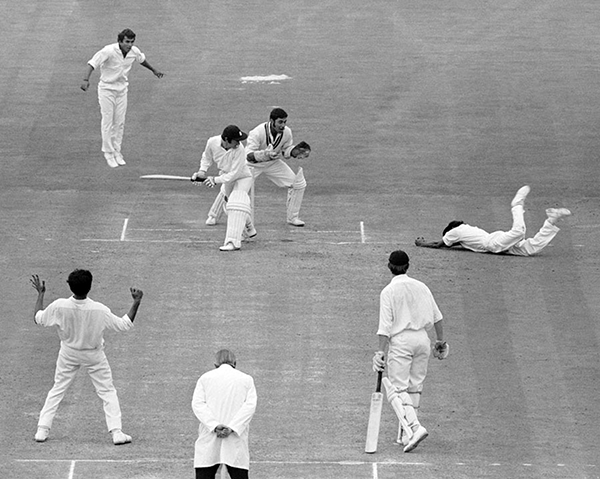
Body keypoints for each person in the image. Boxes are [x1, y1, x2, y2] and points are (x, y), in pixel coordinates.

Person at [30, 270, 143, 445]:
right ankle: (116, 432)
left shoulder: (59, 306)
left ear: (69, 285)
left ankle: (42, 429)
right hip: (94, 355)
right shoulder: (100, 309)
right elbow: (124, 325)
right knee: (107, 391)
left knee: (58, 389)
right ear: (90, 286)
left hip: (68, 353)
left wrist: (40, 294)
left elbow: (38, 318)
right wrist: (136, 301)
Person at [372, 250, 445, 453]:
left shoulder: (388, 292)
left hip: (402, 342)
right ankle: (405, 434)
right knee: (414, 387)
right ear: (408, 266)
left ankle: (415, 427)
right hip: (422, 340)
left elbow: (385, 327)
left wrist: (380, 353)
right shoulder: (422, 287)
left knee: (397, 390)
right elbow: (438, 317)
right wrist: (440, 341)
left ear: (389, 267)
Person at [204, 108, 311, 227]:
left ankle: (293, 217)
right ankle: (213, 215)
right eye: (280, 122)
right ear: (272, 121)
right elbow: (248, 155)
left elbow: (285, 150)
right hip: (251, 165)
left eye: (285, 122)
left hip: (272, 163)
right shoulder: (257, 132)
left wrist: (293, 152)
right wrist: (264, 155)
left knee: (298, 184)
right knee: (229, 186)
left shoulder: (287, 132)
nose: (283, 125)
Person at [81, 28, 164, 168]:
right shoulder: (108, 51)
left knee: (119, 122)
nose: (129, 45)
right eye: (127, 42)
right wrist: (85, 79)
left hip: (122, 89)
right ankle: (108, 153)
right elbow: (92, 63)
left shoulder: (134, 51)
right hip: (107, 89)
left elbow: (141, 60)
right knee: (108, 120)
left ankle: (117, 152)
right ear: (120, 41)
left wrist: (154, 70)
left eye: (132, 42)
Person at [414, 185, 573, 256]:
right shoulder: (460, 231)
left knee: (519, 232)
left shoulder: (458, 232)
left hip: (494, 244)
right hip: (497, 243)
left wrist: (422, 243)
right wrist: (425, 243)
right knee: (531, 248)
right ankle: (551, 221)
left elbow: (439, 244)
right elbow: (444, 244)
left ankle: (517, 205)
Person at [192, 349, 257, 479]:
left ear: (215, 364)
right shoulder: (246, 379)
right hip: (235, 437)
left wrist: (214, 426)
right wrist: (232, 427)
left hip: (210, 436)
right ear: (235, 363)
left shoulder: (205, 378)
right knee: (239, 474)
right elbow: (249, 406)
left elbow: (198, 404)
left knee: (205, 472)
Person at [192, 125, 257, 251]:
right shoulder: (212, 142)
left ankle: (233, 242)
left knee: (236, 202)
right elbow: (206, 157)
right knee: (229, 206)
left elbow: (235, 174)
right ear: (226, 140)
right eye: (236, 140)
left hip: (243, 177)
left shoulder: (239, 149)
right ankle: (249, 227)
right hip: (227, 177)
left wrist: (215, 180)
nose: (238, 143)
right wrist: (201, 172)